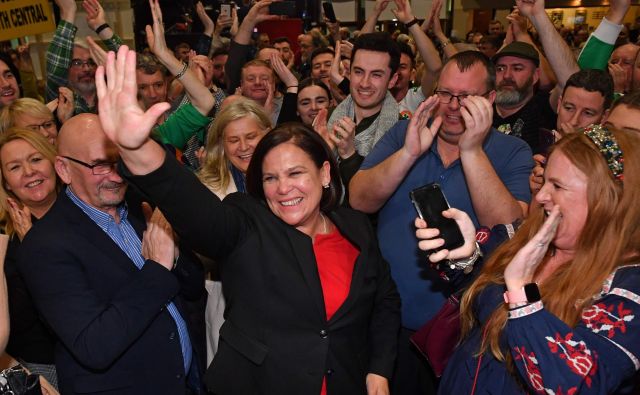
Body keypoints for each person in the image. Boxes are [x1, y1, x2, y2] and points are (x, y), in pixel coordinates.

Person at [95, 45, 400, 395]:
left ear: (325, 173)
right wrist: (137, 149)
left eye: (296, 173)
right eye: (270, 178)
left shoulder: (356, 228)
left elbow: (385, 302)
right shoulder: (247, 223)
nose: (284, 188)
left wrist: (378, 369)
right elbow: (195, 209)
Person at [349, 50, 532, 394]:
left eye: (466, 98)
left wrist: (472, 150)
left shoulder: (512, 151)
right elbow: (359, 198)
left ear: (490, 100)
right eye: (445, 93)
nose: (451, 105)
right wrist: (409, 153)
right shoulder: (407, 131)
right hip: (387, 325)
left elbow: (510, 232)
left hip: (464, 333)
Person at [418, 125, 640, 394]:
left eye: (557, 186)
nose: (542, 195)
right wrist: (466, 255)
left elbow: (572, 383)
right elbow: (478, 286)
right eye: (545, 180)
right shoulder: (528, 235)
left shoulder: (628, 288)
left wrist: (522, 296)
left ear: (608, 202)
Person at [18, 113, 206, 394]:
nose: (117, 175)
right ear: (64, 169)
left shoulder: (138, 203)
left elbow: (193, 288)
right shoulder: (44, 246)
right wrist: (157, 267)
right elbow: (95, 345)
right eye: (100, 165)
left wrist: (176, 254)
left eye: (120, 161)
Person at [0, 129, 59, 387]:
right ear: (6, 184)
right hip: (39, 367)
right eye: (15, 167)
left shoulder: (90, 216)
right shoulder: (7, 243)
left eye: (35, 159)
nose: (28, 172)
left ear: (55, 163)